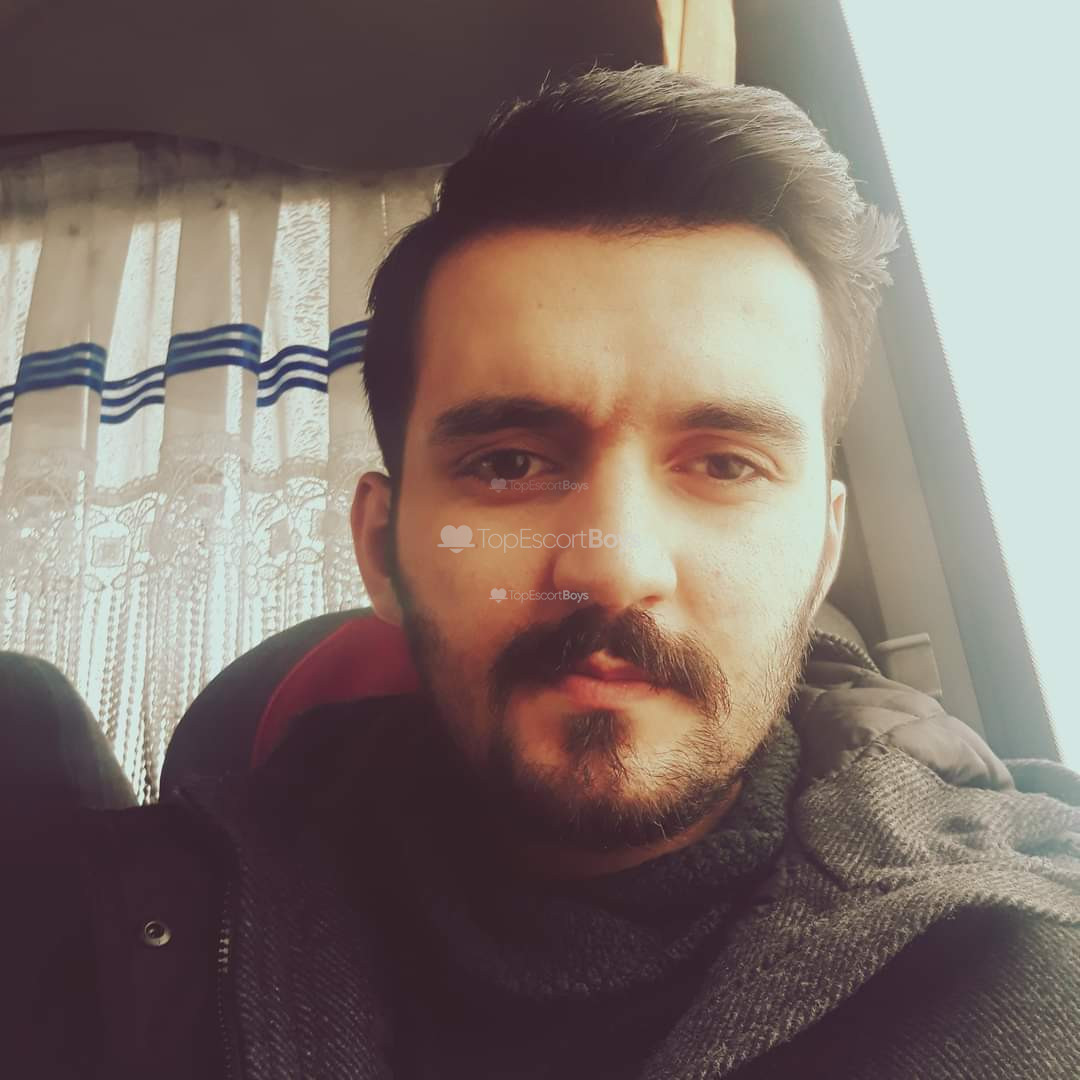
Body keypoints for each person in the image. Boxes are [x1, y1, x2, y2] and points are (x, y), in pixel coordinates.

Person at [7, 65, 1080, 1079]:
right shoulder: (88, 945)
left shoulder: (1039, 940)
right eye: (510, 464)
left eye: (724, 465)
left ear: (822, 551)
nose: (612, 569)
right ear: (383, 551)